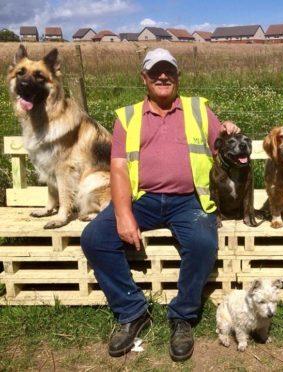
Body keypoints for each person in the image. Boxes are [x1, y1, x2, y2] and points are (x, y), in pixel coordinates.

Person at [81, 48, 239, 361]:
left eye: (169, 71)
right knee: (95, 238)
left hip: (189, 200)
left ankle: (182, 316)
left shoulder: (197, 110)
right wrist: (124, 214)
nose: (163, 77)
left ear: (177, 77)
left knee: (203, 243)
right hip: (144, 199)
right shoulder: (127, 117)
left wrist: (228, 129)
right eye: (155, 72)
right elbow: (119, 168)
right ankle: (132, 311)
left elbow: (222, 146)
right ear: (144, 78)